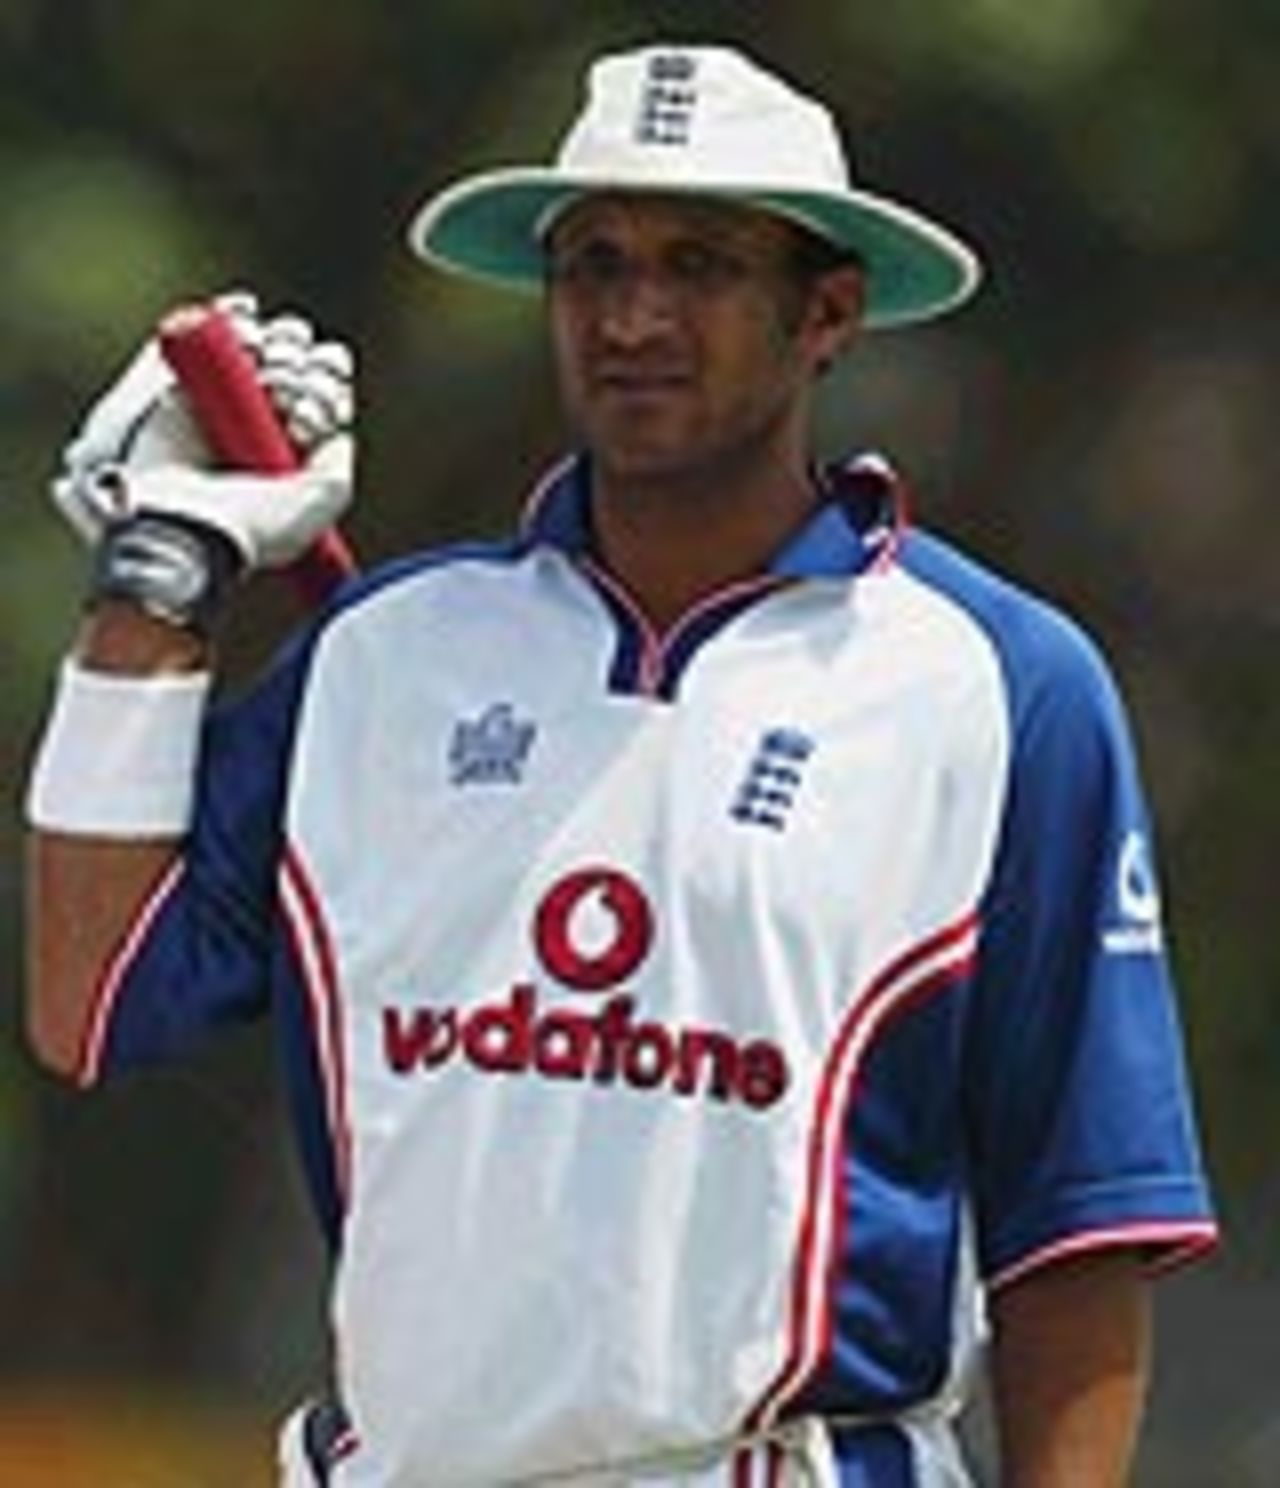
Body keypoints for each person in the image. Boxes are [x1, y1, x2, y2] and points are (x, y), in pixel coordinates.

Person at [24, 41, 1217, 1488]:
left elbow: (1079, 1228)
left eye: (702, 264)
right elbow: (89, 997)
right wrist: (160, 572)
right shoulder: (384, 654)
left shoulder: (999, 686)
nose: (635, 313)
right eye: (593, 265)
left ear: (826, 311)